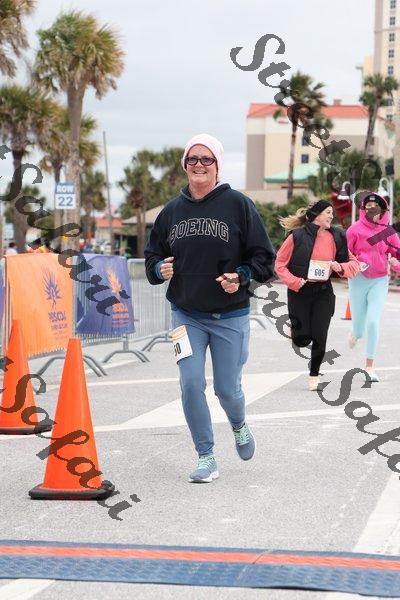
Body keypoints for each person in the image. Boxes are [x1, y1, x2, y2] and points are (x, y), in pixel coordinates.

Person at [144, 133, 275, 483]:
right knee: (190, 384)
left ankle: (239, 424)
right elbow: (152, 256)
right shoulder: (171, 211)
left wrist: (241, 277)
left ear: (217, 166)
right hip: (185, 315)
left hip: (230, 315)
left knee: (227, 390)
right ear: (185, 165)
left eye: (206, 159)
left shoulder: (238, 205)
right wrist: (158, 269)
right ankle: (206, 456)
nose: (199, 165)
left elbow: (265, 258)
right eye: (192, 159)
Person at [275, 200, 360, 391]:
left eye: (332, 212)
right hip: (300, 292)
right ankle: (295, 333)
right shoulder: (297, 236)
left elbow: (354, 264)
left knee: (320, 335)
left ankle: (314, 375)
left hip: (324, 292)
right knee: (302, 339)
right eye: (328, 212)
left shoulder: (337, 236)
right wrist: (294, 281)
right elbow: (279, 264)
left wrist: (340, 267)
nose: (332, 216)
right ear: (316, 215)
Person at [346, 192, 400, 382]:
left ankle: (369, 366)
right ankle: (355, 333)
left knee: (373, 322)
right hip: (358, 280)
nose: (372, 210)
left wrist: (395, 263)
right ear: (363, 209)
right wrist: (355, 262)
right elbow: (345, 255)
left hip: (380, 280)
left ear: (383, 210)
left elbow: (397, 255)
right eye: (368, 207)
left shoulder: (388, 232)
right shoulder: (354, 230)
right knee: (360, 328)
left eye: (376, 207)